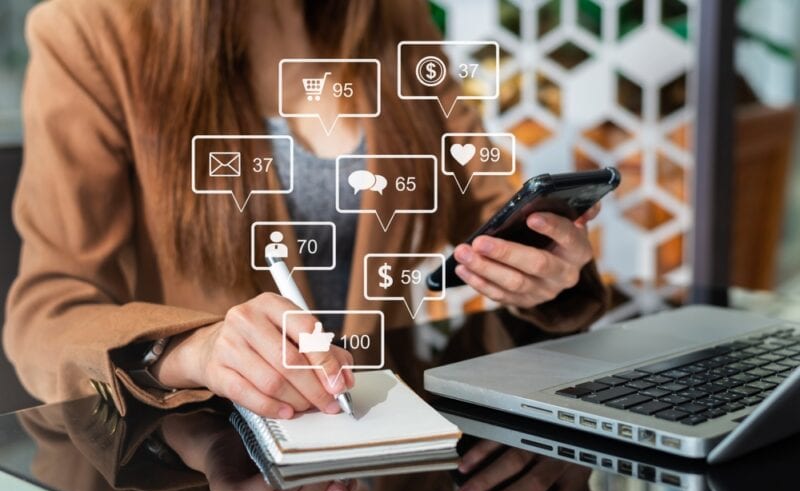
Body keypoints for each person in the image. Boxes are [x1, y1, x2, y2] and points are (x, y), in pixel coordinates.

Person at [5, 0, 606, 428]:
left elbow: (485, 200)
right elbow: (48, 311)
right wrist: (190, 351)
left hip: (385, 440)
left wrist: (545, 270)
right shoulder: (87, 30)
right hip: (212, 465)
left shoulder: (393, 17)